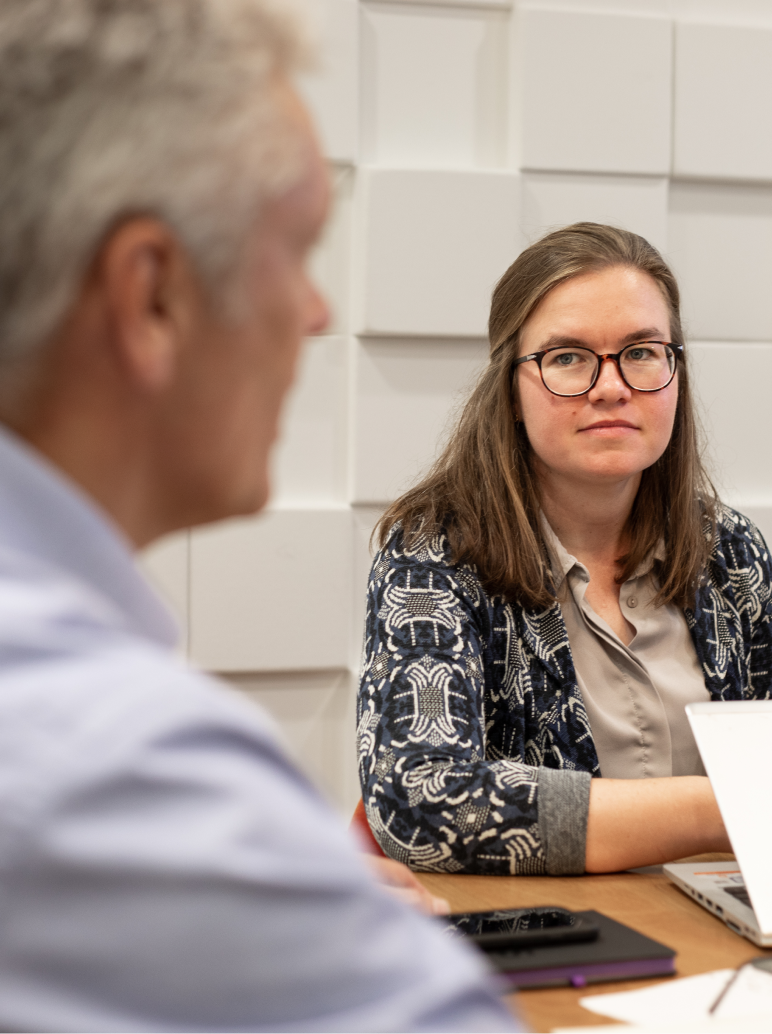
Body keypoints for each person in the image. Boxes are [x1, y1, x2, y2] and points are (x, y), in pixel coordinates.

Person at [0, 1, 522, 1031]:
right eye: (298, 248)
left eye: (649, 354)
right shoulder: (113, 765)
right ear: (152, 295)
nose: (318, 311)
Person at [359, 222, 772, 877]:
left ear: (676, 372)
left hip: (729, 937)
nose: (611, 386)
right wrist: (725, 808)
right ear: (513, 393)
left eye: (641, 352)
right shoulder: (436, 556)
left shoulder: (732, 556)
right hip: (551, 946)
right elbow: (423, 806)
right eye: (568, 358)